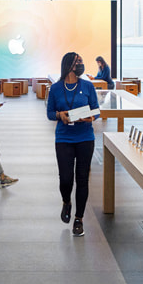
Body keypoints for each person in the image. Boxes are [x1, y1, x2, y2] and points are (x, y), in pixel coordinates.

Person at [47, 52, 99, 237]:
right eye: (78, 62)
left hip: (85, 138)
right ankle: (66, 201)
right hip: (64, 139)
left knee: (82, 178)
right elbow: (50, 113)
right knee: (66, 178)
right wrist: (60, 115)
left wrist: (90, 117)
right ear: (69, 65)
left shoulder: (88, 86)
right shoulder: (55, 89)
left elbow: (96, 110)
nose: (81, 64)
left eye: (82, 62)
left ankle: (79, 219)